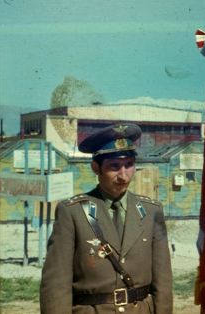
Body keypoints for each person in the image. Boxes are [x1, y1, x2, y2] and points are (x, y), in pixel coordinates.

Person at [40, 123, 173, 314]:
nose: (123, 175)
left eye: (129, 165)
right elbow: (56, 284)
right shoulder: (73, 213)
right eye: (114, 166)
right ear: (96, 168)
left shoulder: (151, 211)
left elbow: (163, 281)